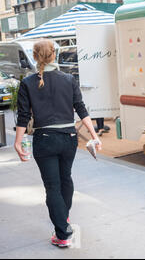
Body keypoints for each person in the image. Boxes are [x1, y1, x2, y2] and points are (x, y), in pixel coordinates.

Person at [14, 39, 102, 248]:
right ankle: (64, 218)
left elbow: (23, 116)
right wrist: (94, 135)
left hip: (44, 140)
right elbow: (81, 109)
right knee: (66, 179)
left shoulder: (27, 83)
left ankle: (62, 233)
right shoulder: (69, 79)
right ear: (55, 55)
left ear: (35, 56)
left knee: (52, 187)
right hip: (68, 138)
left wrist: (18, 142)